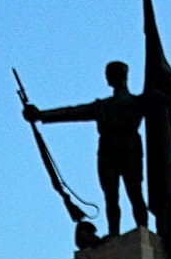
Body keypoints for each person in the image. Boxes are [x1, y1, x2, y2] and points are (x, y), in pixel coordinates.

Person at [22, 61, 151, 235]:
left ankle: (142, 230)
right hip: (107, 153)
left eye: (109, 74)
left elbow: (73, 112)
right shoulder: (103, 105)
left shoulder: (137, 102)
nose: (107, 78)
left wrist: (41, 115)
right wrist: (42, 115)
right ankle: (115, 233)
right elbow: (73, 112)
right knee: (112, 197)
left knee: (134, 194)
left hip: (130, 151)